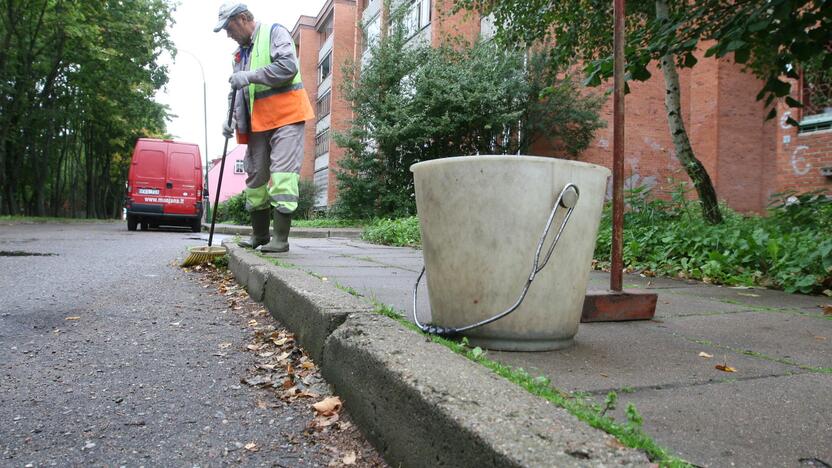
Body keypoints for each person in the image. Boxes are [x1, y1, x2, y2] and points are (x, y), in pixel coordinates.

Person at [214, 2, 314, 252]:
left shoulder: (274, 33)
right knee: (255, 178)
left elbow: (288, 67)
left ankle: (281, 239)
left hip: (286, 117)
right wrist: (230, 120)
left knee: (282, 175)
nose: (228, 34)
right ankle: (260, 235)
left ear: (244, 18)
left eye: (229, 27)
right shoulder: (239, 54)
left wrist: (249, 76)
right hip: (258, 123)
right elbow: (237, 90)